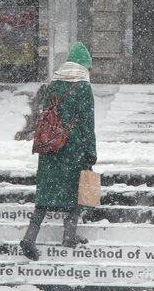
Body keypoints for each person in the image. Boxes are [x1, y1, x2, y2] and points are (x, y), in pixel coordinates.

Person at [20, 42, 97, 260]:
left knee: (45, 194)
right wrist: (91, 151)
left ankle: (29, 237)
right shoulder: (83, 86)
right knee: (76, 190)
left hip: (51, 145)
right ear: (84, 66)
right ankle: (69, 235)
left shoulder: (53, 84)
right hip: (74, 148)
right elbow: (87, 122)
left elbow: (45, 113)